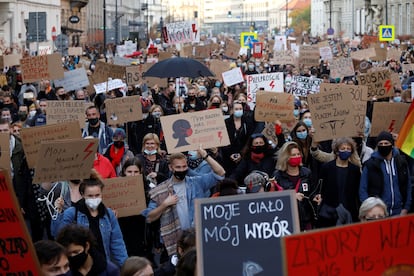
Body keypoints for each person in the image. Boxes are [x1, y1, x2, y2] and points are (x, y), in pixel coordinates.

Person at [142, 149, 225, 257]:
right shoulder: (160, 190)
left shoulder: (196, 183)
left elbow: (220, 173)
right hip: (173, 244)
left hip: (196, 239)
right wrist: (164, 205)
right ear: (170, 168)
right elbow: (149, 217)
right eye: (178, 167)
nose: (182, 170)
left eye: (184, 166)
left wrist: (205, 156)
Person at [51, 172, 128, 267]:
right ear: (83, 195)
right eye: (90, 196)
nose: (94, 199)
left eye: (97, 195)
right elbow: (57, 235)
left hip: (103, 265)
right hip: (81, 267)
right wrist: (58, 212)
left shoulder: (108, 214)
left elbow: (117, 243)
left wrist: (126, 266)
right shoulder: (72, 213)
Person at [360, 131, 412, 216]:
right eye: (381, 143)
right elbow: (363, 189)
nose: (383, 146)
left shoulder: (401, 163)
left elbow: (408, 186)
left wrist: (406, 208)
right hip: (378, 214)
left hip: (399, 212)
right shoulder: (370, 164)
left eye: (386, 143)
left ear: (391, 145)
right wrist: (371, 210)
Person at [272, 141, 317, 230]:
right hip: (287, 220)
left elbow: (312, 192)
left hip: (306, 218)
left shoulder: (307, 172)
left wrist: (316, 197)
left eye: (298, 154)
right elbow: (275, 199)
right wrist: (292, 197)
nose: (297, 157)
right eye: (293, 155)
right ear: (286, 157)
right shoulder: (278, 176)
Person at [318, 137, 361, 227]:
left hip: (349, 212)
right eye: (343, 148)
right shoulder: (327, 167)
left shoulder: (355, 170)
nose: (345, 151)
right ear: (337, 151)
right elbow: (322, 188)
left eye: (348, 149)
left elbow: (357, 192)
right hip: (330, 212)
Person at [221, 101, 255, 176]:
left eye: (240, 109)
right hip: (228, 156)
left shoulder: (247, 122)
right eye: (236, 109)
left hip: (244, 156)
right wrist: (230, 154)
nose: (239, 110)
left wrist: (241, 154)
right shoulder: (226, 123)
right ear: (232, 110)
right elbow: (223, 139)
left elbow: (249, 139)